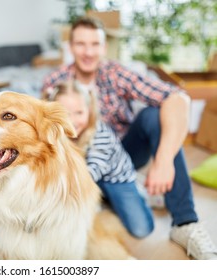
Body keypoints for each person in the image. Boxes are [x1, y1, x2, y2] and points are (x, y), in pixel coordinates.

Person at [41, 16, 217, 260]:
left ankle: (185, 221)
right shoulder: (54, 83)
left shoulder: (116, 73)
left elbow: (178, 98)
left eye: (95, 44)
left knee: (154, 115)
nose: (88, 51)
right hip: (75, 162)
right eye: (81, 44)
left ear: (104, 47)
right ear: (71, 47)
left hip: (121, 156)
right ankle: (122, 193)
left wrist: (164, 162)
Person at [44, 80, 154, 238]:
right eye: (65, 114)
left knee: (141, 229)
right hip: (84, 175)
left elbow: (90, 175)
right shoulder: (54, 132)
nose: (72, 121)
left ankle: (138, 192)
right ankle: (104, 199)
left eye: (79, 113)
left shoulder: (100, 135)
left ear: (89, 111)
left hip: (114, 178)